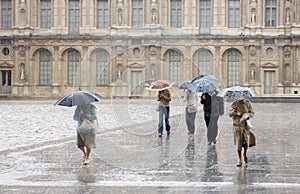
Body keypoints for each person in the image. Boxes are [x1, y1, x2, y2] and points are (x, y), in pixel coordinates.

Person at [229, 98, 254, 167]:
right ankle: (240, 160)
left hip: (245, 126)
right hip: (237, 126)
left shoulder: (248, 103)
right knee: (238, 144)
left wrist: (247, 115)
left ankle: (245, 154)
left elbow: (252, 113)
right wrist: (235, 111)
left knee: (246, 142)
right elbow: (230, 114)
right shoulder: (235, 103)